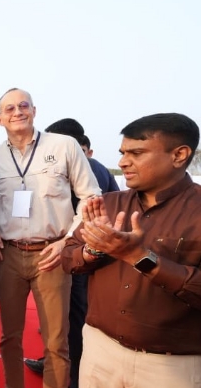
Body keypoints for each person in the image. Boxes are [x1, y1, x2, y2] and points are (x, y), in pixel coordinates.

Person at [62, 113, 201, 388]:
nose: (123, 162)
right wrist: (94, 249)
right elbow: (69, 258)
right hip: (99, 351)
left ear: (179, 155)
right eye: (123, 152)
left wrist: (138, 257)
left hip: (170, 365)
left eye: (137, 153)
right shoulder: (108, 204)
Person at [0, 89, 101, 388]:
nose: (17, 111)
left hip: (52, 254)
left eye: (24, 105)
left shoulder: (64, 146)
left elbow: (91, 196)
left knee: (56, 340)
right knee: (9, 337)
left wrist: (67, 242)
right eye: (9, 108)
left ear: (34, 110)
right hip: (8, 255)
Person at [24, 119, 119, 387]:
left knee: (74, 317)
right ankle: (57, 365)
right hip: (81, 252)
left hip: (82, 255)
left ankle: (72, 377)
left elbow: (88, 215)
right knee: (66, 317)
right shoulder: (85, 168)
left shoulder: (87, 170)